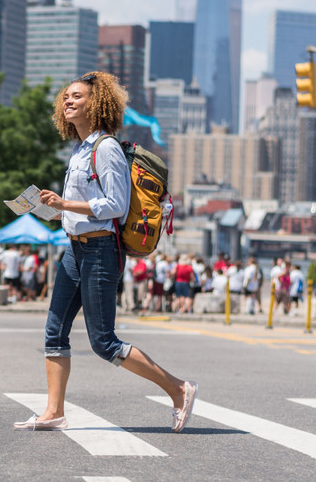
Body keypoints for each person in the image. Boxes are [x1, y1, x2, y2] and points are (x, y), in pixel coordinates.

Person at [14, 71, 197, 433]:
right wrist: (53, 208)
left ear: (96, 104)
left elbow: (114, 204)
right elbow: (84, 203)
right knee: (55, 331)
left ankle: (178, 389)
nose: (68, 101)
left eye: (77, 97)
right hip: (74, 251)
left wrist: (65, 202)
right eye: (65, 97)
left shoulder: (106, 148)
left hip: (100, 252)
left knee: (103, 341)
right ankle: (54, 412)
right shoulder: (80, 150)